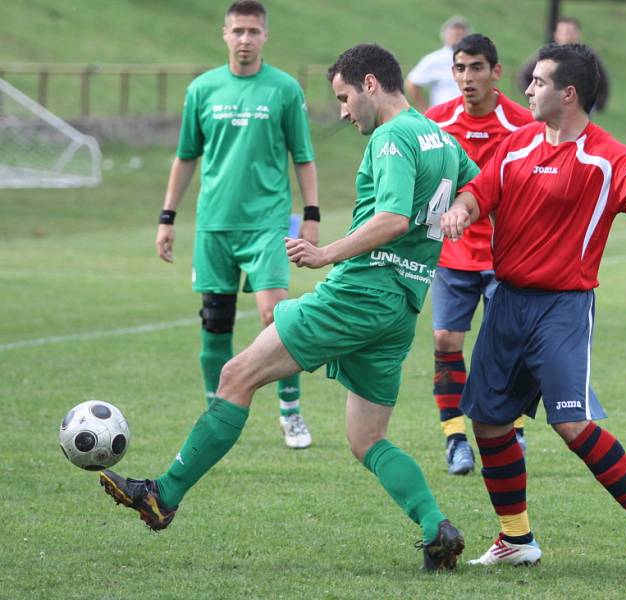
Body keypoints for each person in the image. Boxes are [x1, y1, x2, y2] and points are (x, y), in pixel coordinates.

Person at [98, 43, 481, 571]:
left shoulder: (393, 139)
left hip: (360, 292)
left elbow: (391, 218)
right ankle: (436, 528)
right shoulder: (436, 134)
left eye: (345, 97)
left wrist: (325, 253)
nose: (343, 111)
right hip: (403, 306)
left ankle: (163, 495)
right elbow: (478, 183)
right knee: (366, 438)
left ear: (371, 83)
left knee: (236, 375)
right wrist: (461, 207)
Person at [441, 43, 626, 577]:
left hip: (562, 307)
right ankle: (516, 538)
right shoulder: (516, 144)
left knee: (572, 423)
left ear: (567, 93)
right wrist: (461, 211)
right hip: (504, 301)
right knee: (486, 421)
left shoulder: (605, 156)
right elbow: (477, 193)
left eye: (538, 82)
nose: (527, 89)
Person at [156, 0, 317, 449]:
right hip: (214, 225)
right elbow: (186, 156)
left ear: (265, 36)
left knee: (275, 314)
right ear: (224, 34)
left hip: (267, 224)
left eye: (253, 31)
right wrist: (167, 217)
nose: (245, 39)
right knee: (215, 323)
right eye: (237, 31)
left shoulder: (284, 89)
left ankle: (290, 410)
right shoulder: (202, 90)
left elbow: (303, 157)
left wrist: (311, 214)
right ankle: (217, 411)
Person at [424, 34, 534, 475]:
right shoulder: (436, 122)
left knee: (506, 346)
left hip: (504, 256)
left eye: (476, 68)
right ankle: (455, 439)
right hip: (452, 254)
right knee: (445, 341)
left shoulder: (521, 125)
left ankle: (516, 428)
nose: (467, 78)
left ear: (496, 72)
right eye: (460, 68)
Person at [517, 17, 609, 112]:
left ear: (578, 34)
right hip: (552, 107)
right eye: (564, 33)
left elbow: (603, 82)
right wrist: (536, 98)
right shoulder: (548, 55)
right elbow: (524, 75)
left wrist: (597, 105)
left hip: (579, 110)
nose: (568, 37)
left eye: (571, 32)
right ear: (556, 35)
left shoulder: (587, 56)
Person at [405, 16, 471, 112]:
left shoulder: (474, 59)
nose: (458, 35)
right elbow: (412, 82)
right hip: (444, 118)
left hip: (470, 117)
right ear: (445, 35)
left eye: (462, 32)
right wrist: (425, 111)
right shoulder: (435, 59)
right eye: (454, 32)